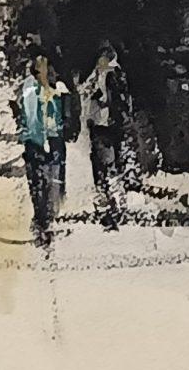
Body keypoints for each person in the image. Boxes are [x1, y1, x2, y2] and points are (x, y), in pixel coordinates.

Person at [13, 52, 70, 240]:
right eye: (39, 68)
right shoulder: (30, 88)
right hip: (37, 141)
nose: (44, 72)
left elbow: (65, 112)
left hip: (54, 140)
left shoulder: (59, 87)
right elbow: (30, 116)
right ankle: (42, 220)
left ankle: (49, 220)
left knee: (54, 179)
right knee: (38, 181)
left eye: (45, 68)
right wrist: (38, 137)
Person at [79, 45, 132, 225]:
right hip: (100, 124)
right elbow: (84, 92)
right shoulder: (97, 76)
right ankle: (108, 201)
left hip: (108, 124)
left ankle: (114, 202)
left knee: (108, 163)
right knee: (102, 163)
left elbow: (114, 99)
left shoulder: (114, 75)